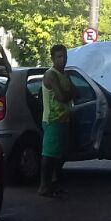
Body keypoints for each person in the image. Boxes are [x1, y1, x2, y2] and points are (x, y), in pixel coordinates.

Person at [39, 44, 72, 197]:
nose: (62, 59)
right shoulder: (51, 75)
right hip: (52, 119)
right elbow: (62, 96)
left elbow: (74, 92)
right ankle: (44, 185)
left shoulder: (65, 74)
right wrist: (69, 93)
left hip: (64, 119)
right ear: (52, 59)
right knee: (49, 154)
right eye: (59, 57)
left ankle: (54, 183)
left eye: (64, 56)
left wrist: (69, 93)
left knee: (60, 155)